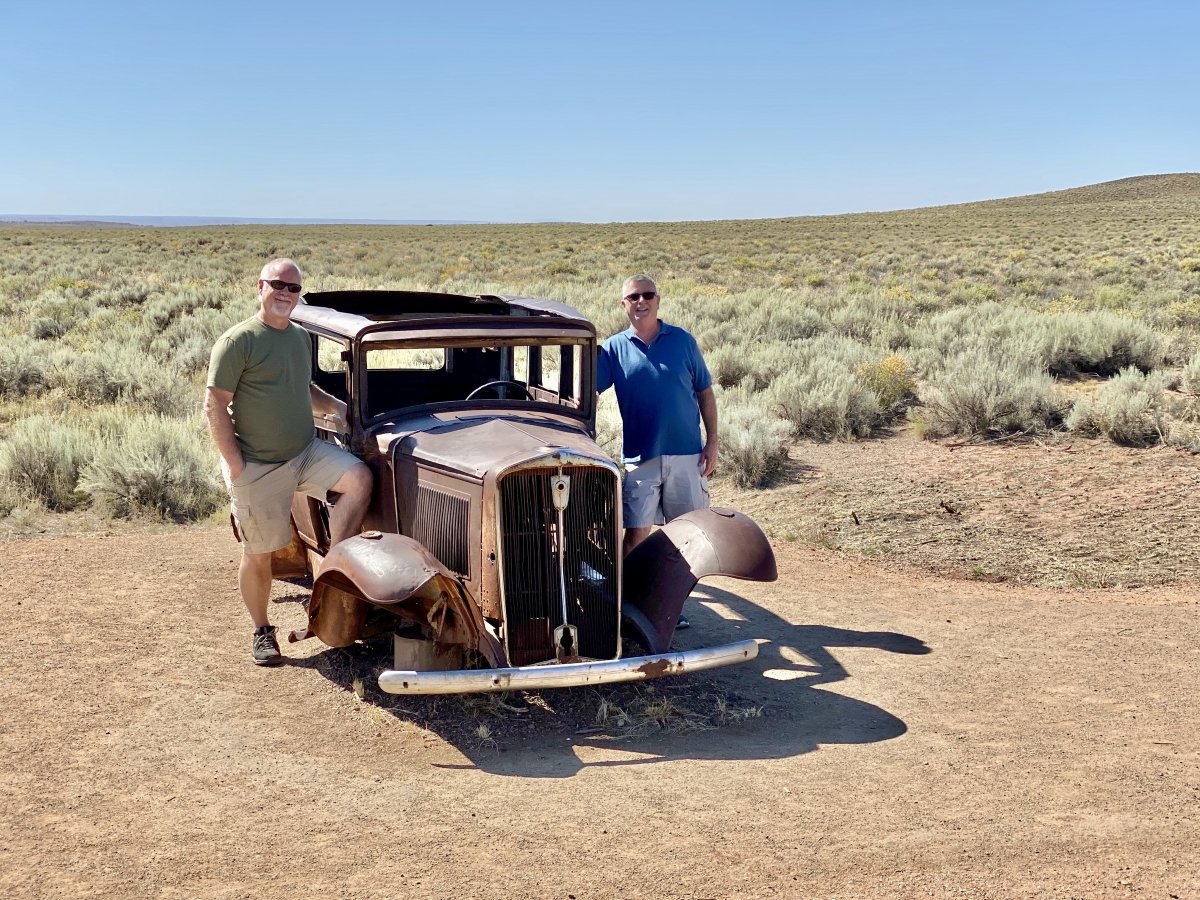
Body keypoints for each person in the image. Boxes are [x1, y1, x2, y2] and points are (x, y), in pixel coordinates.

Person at [205, 258, 372, 666]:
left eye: (293, 288)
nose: (285, 293)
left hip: (304, 452)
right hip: (259, 463)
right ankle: (262, 631)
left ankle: (331, 569)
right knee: (259, 552)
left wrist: (341, 408)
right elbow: (214, 406)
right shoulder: (238, 341)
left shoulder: (298, 338)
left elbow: (303, 385)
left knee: (359, 479)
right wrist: (237, 465)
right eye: (278, 285)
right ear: (260, 286)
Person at [596, 274, 718, 627]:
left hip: (686, 455)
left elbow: (705, 392)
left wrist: (713, 441)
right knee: (635, 533)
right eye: (633, 297)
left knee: (685, 534)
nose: (640, 301)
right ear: (623, 305)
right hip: (640, 457)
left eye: (647, 294)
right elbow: (590, 392)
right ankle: (625, 606)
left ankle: (669, 608)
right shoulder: (613, 349)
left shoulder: (682, 341)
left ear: (658, 300)